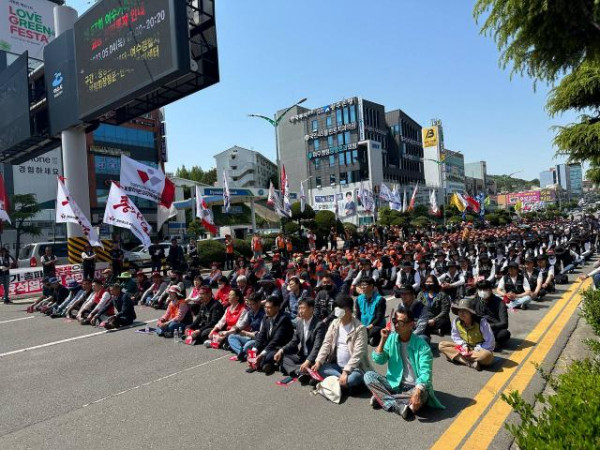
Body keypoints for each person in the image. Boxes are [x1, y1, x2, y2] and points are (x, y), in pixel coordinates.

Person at [365, 307, 445, 419]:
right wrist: (383, 340)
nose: (396, 325)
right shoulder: (391, 339)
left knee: (422, 395)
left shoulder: (421, 346)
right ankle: (398, 406)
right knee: (368, 375)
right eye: (395, 321)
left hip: (414, 387)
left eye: (401, 322)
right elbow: (379, 360)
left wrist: (417, 391)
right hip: (394, 384)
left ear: (411, 324)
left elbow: (426, 373)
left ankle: (382, 398)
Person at [312, 295, 371, 395]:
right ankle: (342, 383)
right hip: (336, 366)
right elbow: (326, 343)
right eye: (336, 308)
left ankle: (340, 382)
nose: (336, 311)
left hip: (354, 369)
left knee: (353, 379)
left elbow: (358, 353)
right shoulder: (335, 323)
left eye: (339, 308)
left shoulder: (360, 328)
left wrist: (346, 371)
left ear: (348, 310)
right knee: (319, 369)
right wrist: (318, 361)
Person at [275, 298, 327, 382]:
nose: (300, 311)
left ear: (311, 309)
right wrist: (282, 350)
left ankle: (301, 370)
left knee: (312, 381)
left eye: (303, 308)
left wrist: (308, 361)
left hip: (314, 359)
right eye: (299, 308)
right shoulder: (299, 323)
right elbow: (294, 342)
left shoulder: (319, 325)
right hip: (302, 356)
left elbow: (317, 347)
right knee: (283, 356)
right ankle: (299, 371)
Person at [439, 298, 495, 371]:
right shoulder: (456, 322)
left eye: (465, 311)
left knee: (487, 356)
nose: (461, 313)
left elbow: (490, 342)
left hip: (479, 350)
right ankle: (468, 363)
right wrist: (464, 346)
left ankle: (456, 356)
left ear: (471, 312)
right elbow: (455, 337)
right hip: (464, 348)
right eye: (460, 311)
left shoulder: (482, 322)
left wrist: (475, 350)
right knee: (442, 345)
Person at [248, 295, 294, 375]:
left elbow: (276, 340)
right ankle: (264, 364)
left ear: (277, 308)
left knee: (266, 357)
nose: (266, 310)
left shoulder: (283, 320)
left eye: (269, 307)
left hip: (280, 347)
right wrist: (254, 351)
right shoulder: (266, 317)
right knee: (250, 349)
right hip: (270, 345)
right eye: (265, 307)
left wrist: (261, 355)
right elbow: (261, 336)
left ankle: (268, 365)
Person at [227, 293, 265, 361]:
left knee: (247, 345)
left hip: (259, 339)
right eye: (249, 304)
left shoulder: (264, 315)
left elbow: (261, 335)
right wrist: (228, 332)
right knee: (231, 336)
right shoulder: (250, 313)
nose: (250, 306)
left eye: (252, 304)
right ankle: (241, 352)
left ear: (259, 303)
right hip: (250, 337)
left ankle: (243, 353)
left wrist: (246, 333)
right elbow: (241, 324)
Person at [473, 279, 511, 347]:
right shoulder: (476, 300)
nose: (482, 292)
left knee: (504, 334)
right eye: (480, 290)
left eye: (485, 289)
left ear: (490, 290)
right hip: (478, 328)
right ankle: (488, 342)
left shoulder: (500, 303)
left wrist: (488, 326)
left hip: (493, 329)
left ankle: (491, 342)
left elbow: (504, 323)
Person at [355, 277, 386, 346]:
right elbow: (358, 315)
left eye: (364, 285)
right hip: (363, 326)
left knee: (373, 337)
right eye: (361, 285)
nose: (362, 287)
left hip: (375, 325)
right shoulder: (358, 299)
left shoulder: (380, 300)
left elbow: (379, 317)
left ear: (371, 286)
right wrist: (359, 326)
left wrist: (368, 327)